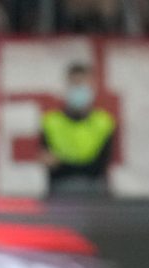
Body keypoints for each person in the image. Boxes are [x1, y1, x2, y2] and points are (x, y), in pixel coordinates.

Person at [39, 62, 116, 198]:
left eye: (82, 84)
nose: (78, 89)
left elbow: (99, 167)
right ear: (66, 87)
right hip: (60, 191)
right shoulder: (51, 122)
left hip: (95, 191)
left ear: (92, 88)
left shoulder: (104, 122)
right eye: (74, 84)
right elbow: (49, 166)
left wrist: (62, 163)